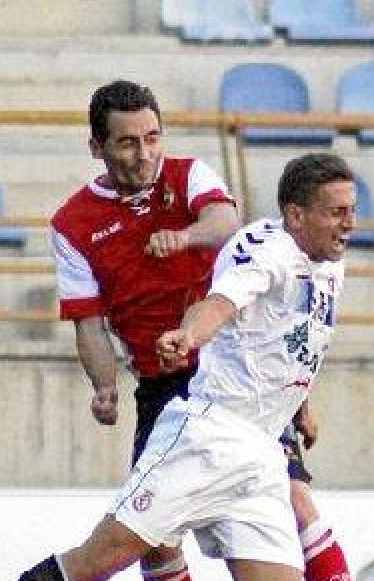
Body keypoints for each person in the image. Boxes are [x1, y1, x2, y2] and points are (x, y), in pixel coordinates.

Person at [22, 152, 357, 581]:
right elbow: (217, 304)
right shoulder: (266, 252)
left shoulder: (330, 265)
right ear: (296, 214)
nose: (349, 223)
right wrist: (187, 336)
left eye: (351, 211)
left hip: (262, 455)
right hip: (210, 438)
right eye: (337, 213)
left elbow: (293, 338)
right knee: (90, 564)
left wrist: (301, 402)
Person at [50, 79, 241, 581]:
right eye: (128, 142)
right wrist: (105, 386)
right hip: (163, 386)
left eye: (152, 138)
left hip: (232, 373)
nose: (144, 154)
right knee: (150, 533)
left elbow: (225, 222)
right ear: (97, 147)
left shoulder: (189, 175)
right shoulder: (73, 222)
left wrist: (184, 237)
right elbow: (86, 319)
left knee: (291, 498)